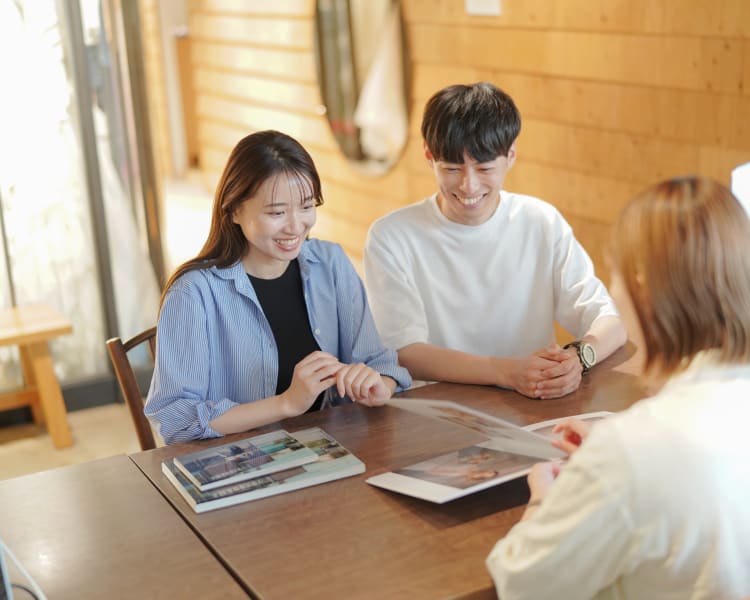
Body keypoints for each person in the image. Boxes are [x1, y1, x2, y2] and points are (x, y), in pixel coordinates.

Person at [486, 177, 750, 599]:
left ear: (643, 288)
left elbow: (521, 582)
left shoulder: (631, 449)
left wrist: (544, 500)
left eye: (617, 275)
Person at [145, 130, 411, 444]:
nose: (296, 226)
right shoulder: (193, 294)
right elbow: (176, 419)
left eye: (307, 207)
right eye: (277, 212)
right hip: (242, 460)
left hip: (333, 449)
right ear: (234, 210)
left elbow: (380, 363)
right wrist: (286, 403)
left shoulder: (331, 264)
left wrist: (379, 385)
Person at [363, 82, 626, 399]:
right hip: (436, 406)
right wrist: (507, 372)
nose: (469, 186)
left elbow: (610, 322)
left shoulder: (541, 221)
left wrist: (579, 358)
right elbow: (404, 352)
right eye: (452, 168)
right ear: (429, 156)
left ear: (510, 155)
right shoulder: (392, 236)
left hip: (532, 400)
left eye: (484, 168)